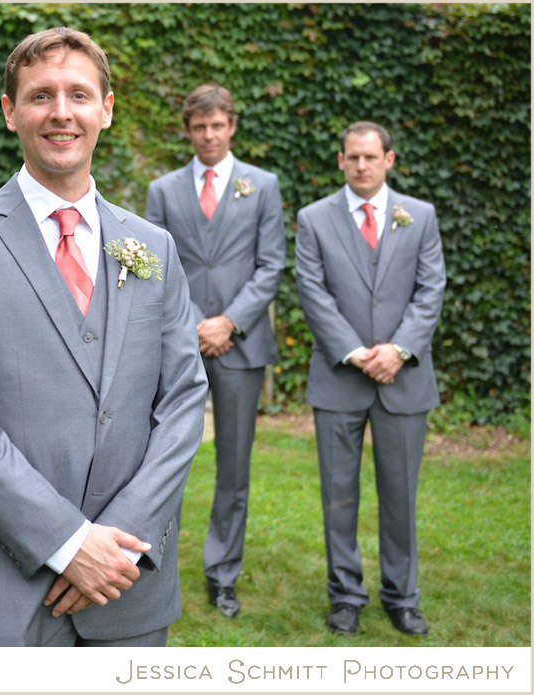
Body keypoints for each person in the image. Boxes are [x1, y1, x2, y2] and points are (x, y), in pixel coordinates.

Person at [0, 27, 208, 647]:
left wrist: (117, 542)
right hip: (10, 586)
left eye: (78, 94)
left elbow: (182, 402)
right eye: (41, 96)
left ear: (107, 107)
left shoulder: (153, 247)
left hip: (130, 580)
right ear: (9, 112)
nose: (61, 112)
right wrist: (67, 544)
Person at [295, 121, 445, 637]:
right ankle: (345, 595)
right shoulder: (314, 219)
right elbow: (312, 292)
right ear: (340, 161)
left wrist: (398, 351)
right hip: (341, 378)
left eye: (370, 157)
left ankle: (403, 597)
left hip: (403, 379)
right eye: (352, 157)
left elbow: (431, 290)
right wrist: (359, 353)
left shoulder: (419, 216)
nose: (361, 165)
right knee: (339, 495)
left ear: (389, 160)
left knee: (400, 494)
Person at [145, 85, 285, 619]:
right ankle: (153, 565)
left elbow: (270, 264)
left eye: (217, 126)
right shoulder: (163, 189)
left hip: (239, 344)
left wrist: (228, 322)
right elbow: (158, 263)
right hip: (177, 345)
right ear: (188, 130)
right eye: (199, 127)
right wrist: (190, 328)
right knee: (162, 458)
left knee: (234, 465)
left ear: (231, 127)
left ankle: (223, 574)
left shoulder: (262, 186)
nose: (208, 135)